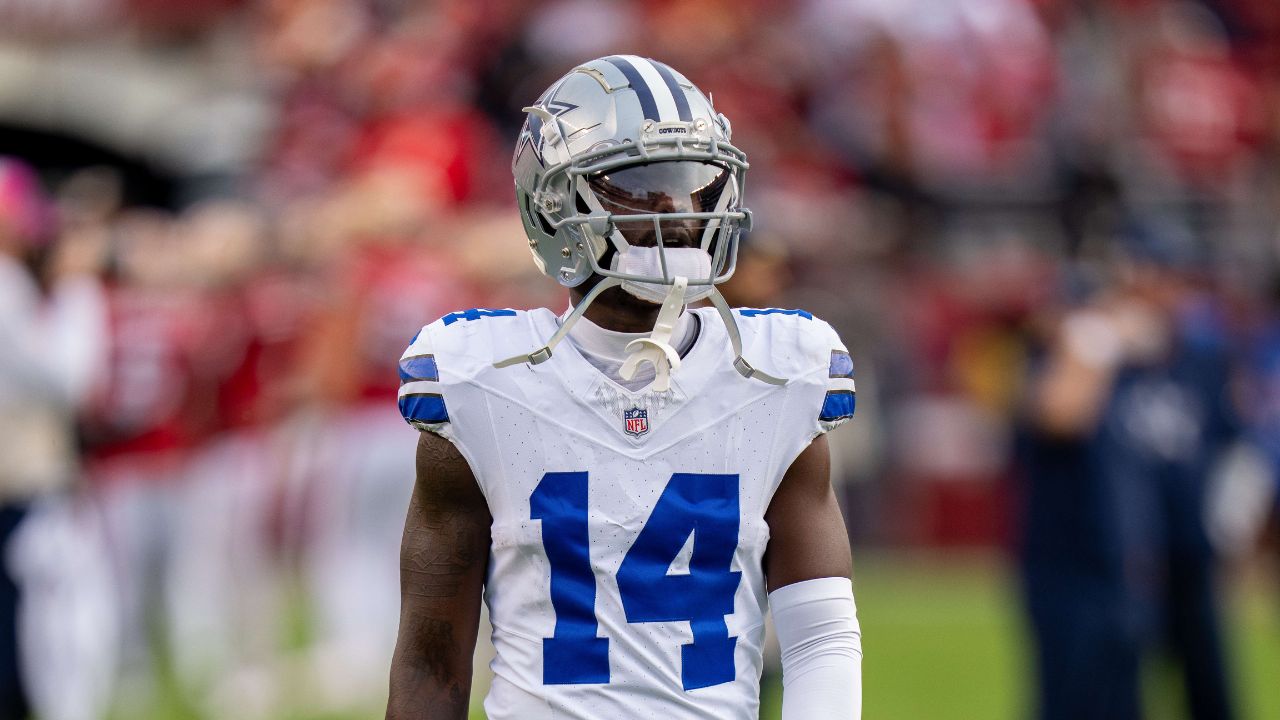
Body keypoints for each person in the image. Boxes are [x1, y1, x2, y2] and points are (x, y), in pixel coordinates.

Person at [385, 56, 863, 720]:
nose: (678, 210)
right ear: (553, 204)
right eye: (639, 185)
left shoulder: (778, 373)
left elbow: (821, 639)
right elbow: (431, 661)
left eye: (694, 182)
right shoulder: (478, 381)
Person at [1020, 233, 1238, 720]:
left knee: (1186, 689)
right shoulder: (1088, 345)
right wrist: (1097, 340)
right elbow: (1058, 414)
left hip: (1157, 555)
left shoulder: (1193, 357)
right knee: (1080, 696)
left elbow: (1227, 445)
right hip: (1078, 561)